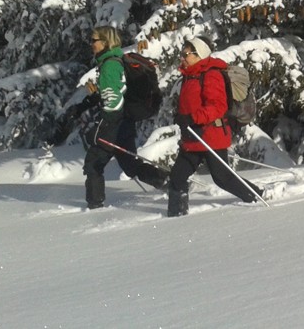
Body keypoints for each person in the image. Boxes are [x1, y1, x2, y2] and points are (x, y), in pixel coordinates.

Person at [167, 37, 263, 216]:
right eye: (182, 53)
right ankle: (176, 217)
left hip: (211, 136)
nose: (182, 57)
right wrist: (181, 116)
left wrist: (191, 118)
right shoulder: (190, 76)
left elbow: (218, 107)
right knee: (177, 177)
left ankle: (257, 195)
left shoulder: (211, 74)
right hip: (192, 136)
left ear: (199, 54)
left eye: (186, 54)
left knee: (223, 178)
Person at [81, 26, 169, 209]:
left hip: (114, 122)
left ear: (105, 42)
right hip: (123, 122)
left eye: (94, 40)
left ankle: (94, 207)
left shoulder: (110, 65)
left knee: (94, 163)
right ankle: (170, 183)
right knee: (129, 164)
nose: (91, 44)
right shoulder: (114, 61)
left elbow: (113, 99)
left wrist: (102, 126)